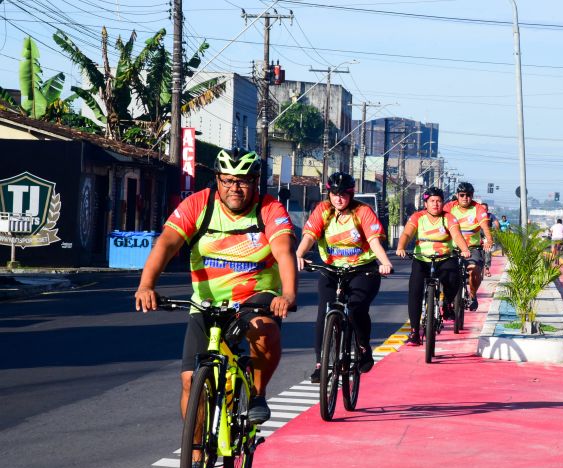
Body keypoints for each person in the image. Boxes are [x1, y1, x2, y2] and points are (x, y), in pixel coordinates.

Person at [135, 148, 297, 431]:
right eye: (228, 180)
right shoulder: (199, 204)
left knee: (266, 331)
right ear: (218, 180)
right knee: (189, 380)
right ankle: (195, 460)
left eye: (243, 181)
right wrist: (146, 286)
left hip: (254, 298)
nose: (235, 188)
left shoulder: (270, 209)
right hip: (207, 302)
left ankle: (258, 395)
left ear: (255, 182)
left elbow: (284, 252)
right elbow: (167, 243)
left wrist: (288, 295)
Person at [295, 172, 393, 383]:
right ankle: (320, 362)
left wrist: (385, 262)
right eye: (334, 194)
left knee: (356, 308)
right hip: (331, 269)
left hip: (362, 270)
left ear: (351, 194)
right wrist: (299, 254)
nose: (338, 199)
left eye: (343, 195)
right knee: (324, 309)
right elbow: (310, 235)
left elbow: (374, 241)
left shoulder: (363, 211)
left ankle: (363, 347)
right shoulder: (323, 210)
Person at [396, 186, 470, 345]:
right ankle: (414, 331)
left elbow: (456, 234)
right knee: (415, 290)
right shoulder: (418, 217)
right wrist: (401, 247)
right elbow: (407, 233)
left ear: (443, 203)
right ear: (426, 203)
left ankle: (447, 303)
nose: (436, 204)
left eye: (439, 201)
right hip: (422, 259)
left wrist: (464, 249)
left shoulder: (449, 217)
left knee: (454, 279)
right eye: (432, 201)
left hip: (444, 257)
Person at [443, 182, 493, 311]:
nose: (465, 198)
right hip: (452, 247)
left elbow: (485, 226)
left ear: (472, 196)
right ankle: (445, 299)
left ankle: (472, 295)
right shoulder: (449, 207)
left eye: (468, 195)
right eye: (462, 195)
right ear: (457, 196)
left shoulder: (477, 208)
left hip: (472, 247)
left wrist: (489, 240)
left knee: (474, 269)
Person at [484, 205, 500, 277]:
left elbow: (496, 223)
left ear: (487, 209)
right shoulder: (476, 215)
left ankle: (487, 269)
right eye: (482, 209)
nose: (483, 210)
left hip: (487, 236)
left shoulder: (490, 216)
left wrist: (495, 231)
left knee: (487, 252)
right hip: (477, 236)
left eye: (485, 209)